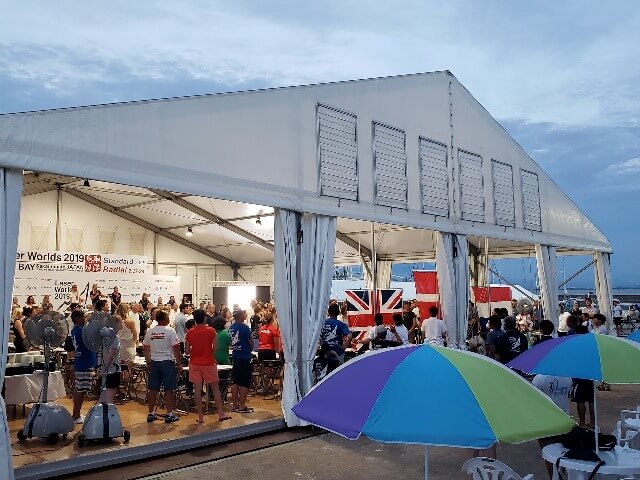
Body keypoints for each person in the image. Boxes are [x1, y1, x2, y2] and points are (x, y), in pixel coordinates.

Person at [185, 309, 231, 423]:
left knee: (197, 389)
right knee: (215, 388)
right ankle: (220, 413)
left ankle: (200, 416)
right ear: (205, 318)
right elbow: (216, 347)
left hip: (194, 363)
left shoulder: (190, 332)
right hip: (209, 362)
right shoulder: (211, 331)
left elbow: (187, 351)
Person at [143, 310, 182, 423]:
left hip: (154, 362)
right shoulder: (170, 331)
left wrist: (148, 361)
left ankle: (151, 413)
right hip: (167, 362)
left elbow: (145, 347)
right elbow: (176, 348)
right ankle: (169, 413)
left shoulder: (150, 331)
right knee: (169, 389)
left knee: (153, 389)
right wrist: (179, 363)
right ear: (164, 318)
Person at [70, 309, 97, 423]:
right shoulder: (81, 331)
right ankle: (76, 415)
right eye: (83, 317)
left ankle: (76, 414)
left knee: (80, 389)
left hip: (82, 361)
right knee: (80, 390)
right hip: (85, 362)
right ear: (77, 318)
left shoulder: (75, 330)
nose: (84, 319)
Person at [228, 309, 254, 413]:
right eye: (243, 314)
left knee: (235, 381)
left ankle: (234, 405)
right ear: (240, 316)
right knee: (245, 381)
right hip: (245, 357)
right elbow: (250, 342)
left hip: (235, 356)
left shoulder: (231, 327)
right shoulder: (245, 328)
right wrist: (250, 349)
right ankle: (242, 405)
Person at [571, 324, 595, 427]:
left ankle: (582, 422)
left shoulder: (574, 344)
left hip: (578, 375)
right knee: (591, 400)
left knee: (580, 400)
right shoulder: (591, 344)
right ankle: (593, 422)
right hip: (590, 374)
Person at [101, 316, 123, 404]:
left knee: (106, 396)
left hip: (108, 369)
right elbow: (110, 355)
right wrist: (106, 368)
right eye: (121, 322)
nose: (122, 324)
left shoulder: (106, 336)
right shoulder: (114, 337)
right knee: (109, 399)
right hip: (113, 369)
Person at [116, 303, 137, 377]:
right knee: (128, 369)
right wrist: (134, 343)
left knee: (118, 368)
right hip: (128, 346)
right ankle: (127, 382)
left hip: (117, 346)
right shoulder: (130, 321)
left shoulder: (114, 321)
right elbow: (135, 335)